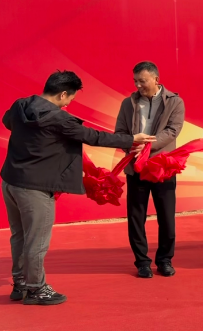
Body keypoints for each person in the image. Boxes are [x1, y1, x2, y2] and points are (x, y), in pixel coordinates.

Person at [2, 71, 154, 305]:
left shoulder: (21, 105)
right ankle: (36, 289)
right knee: (37, 240)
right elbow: (94, 137)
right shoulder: (59, 119)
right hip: (36, 188)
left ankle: (21, 282)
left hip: (11, 181)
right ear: (63, 94)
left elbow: (7, 122)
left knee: (20, 236)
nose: (68, 104)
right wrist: (132, 139)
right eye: (70, 99)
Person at [115, 61, 185, 278]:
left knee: (167, 217)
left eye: (142, 81)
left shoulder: (175, 102)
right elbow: (120, 132)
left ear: (156, 79)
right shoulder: (128, 103)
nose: (138, 85)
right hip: (136, 166)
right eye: (135, 81)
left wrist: (146, 146)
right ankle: (142, 262)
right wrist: (131, 146)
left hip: (162, 166)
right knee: (136, 217)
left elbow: (173, 130)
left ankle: (165, 260)